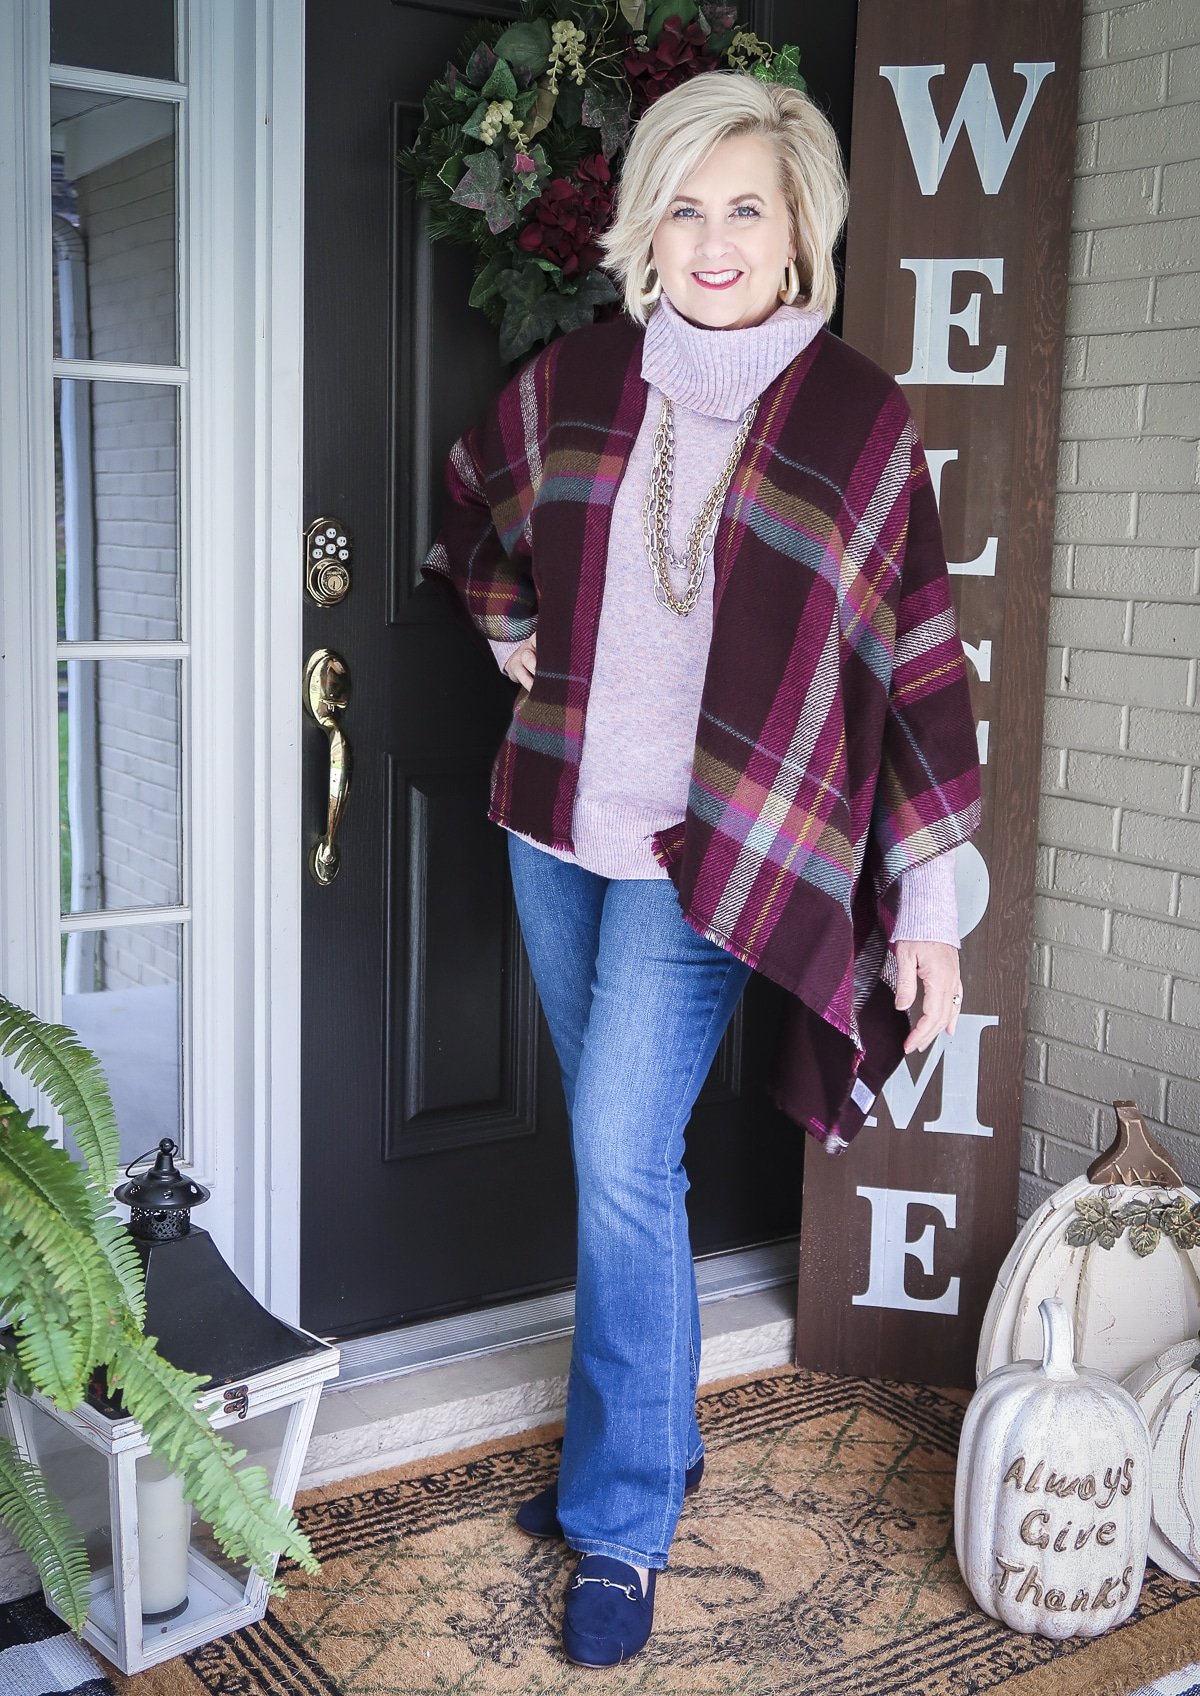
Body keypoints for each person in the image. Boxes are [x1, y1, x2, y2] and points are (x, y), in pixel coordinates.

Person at [422, 69, 982, 1668]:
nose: (717, 238)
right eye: (687, 204)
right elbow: (480, 507)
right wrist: (510, 632)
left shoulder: (857, 417)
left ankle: (620, 1521)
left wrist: (928, 906)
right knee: (631, 1172)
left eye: (750, 207)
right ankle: (649, 1445)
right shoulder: (578, 381)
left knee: (615, 1156)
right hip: (554, 829)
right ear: (645, 228)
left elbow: (910, 677)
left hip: (711, 856)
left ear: (801, 229)